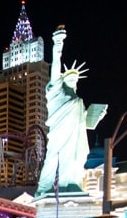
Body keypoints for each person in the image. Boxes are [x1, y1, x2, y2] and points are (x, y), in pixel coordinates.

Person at [35, 26, 107, 197]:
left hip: (76, 138)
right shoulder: (57, 93)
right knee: (52, 160)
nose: (73, 81)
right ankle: (44, 188)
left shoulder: (78, 101)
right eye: (70, 78)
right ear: (63, 80)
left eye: (75, 79)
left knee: (75, 160)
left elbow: (83, 123)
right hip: (59, 134)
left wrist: (95, 118)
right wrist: (58, 45)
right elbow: (55, 70)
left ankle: (72, 184)